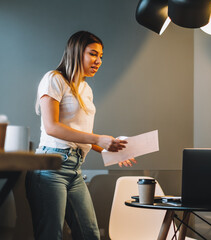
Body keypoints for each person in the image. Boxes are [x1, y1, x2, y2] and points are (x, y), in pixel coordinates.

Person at [25, 31, 136, 240]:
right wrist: (98, 139)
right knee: (51, 235)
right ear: (76, 52)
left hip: (74, 168)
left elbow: (82, 134)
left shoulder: (85, 89)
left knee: (90, 234)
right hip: (51, 166)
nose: (98, 61)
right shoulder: (54, 79)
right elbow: (52, 127)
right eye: (93, 54)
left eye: (101, 56)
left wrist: (110, 148)